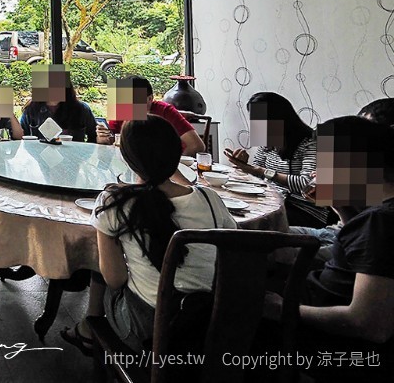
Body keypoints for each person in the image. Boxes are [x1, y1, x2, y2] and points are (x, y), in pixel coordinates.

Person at [63, 115, 237, 354]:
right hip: (209, 323)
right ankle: (86, 330)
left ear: (128, 158)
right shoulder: (210, 199)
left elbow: (115, 280)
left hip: (147, 329)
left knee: (100, 268)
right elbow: (232, 255)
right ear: (176, 154)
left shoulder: (115, 201)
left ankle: (88, 329)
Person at [260, 116, 394, 381]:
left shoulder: (381, 222)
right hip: (311, 301)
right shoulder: (376, 215)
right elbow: (356, 253)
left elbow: (370, 323)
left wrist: (282, 309)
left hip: (318, 340)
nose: (314, 175)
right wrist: (340, 206)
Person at [223, 91, 329, 227]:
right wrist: (243, 165)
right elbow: (256, 177)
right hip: (272, 202)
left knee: (246, 225)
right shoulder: (267, 142)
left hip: (304, 210)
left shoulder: (310, 142)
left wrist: (262, 171)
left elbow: (307, 184)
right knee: (227, 213)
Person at [101, 76, 205, 155]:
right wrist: (102, 139)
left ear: (150, 99)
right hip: (132, 166)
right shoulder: (121, 111)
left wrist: (171, 165)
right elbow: (109, 143)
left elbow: (196, 145)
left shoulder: (165, 111)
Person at [20, 66, 97, 142]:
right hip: (40, 153)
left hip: (74, 154)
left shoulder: (81, 109)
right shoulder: (31, 110)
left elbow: (94, 137)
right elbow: (21, 139)